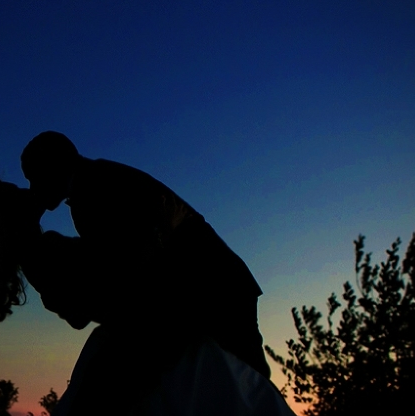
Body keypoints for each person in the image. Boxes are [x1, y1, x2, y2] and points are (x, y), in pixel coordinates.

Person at [0, 178, 377, 416]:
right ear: (9, 220)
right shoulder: (44, 255)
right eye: (18, 195)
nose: (30, 193)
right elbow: (102, 293)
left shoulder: (44, 251)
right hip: (144, 336)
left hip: (145, 333)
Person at [21, 131, 270, 379]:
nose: (33, 189)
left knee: (250, 385)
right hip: (213, 288)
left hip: (214, 290)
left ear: (55, 167)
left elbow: (126, 265)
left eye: (35, 177)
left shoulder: (93, 190)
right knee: (244, 387)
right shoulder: (98, 180)